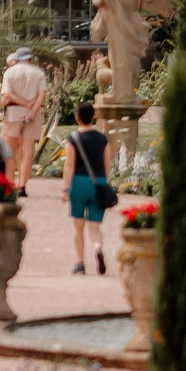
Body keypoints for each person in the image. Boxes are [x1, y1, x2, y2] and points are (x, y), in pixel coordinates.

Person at [61, 101, 111, 275]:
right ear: (93, 117)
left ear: (77, 117)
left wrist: (65, 189)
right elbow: (107, 164)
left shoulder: (73, 138)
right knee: (95, 227)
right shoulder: (102, 138)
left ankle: (81, 263)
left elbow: (69, 165)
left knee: (78, 226)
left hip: (79, 182)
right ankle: (98, 248)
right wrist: (105, 184)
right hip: (99, 183)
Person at [0, 46, 49, 190]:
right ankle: (22, 185)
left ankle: (10, 183)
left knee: (10, 150)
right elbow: (42, 95)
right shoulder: (39, 72)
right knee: (27, 152)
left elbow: (7, 94)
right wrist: (31, 111)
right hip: (34, 113)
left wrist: (23, 103)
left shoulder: (10, 72)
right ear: (30, 59)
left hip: (13, 112)